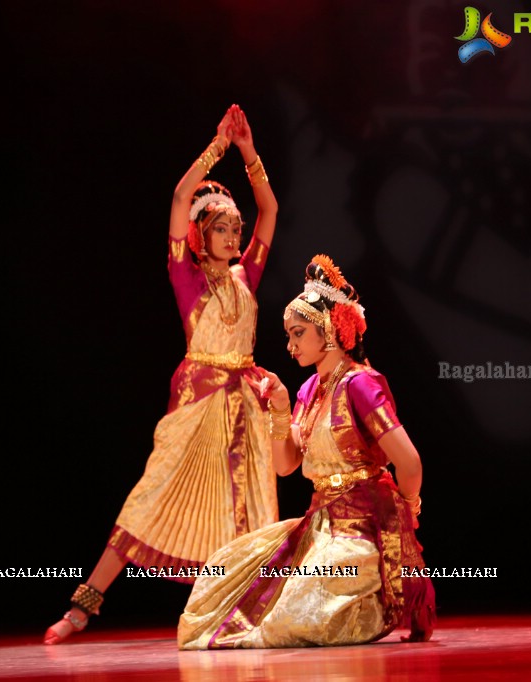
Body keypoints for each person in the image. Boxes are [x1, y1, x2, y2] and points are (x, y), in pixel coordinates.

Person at [45, 104, 280, 645]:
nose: (231, 234)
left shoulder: (248, 274)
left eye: (235, 228)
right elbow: (179, 197)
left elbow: (270, 211)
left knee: (247, 516)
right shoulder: (187, 277)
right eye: (220, 227)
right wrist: (218, 148)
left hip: (244, 406)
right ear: (200, 234)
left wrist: (249, 153)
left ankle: (241, 613)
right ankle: (83, 605)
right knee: (151, 496)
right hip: (199, 403)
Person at [178, 254, 435, 649]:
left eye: (298, 334)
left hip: (362, 532)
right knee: (224, 570)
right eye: (289, 335)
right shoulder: (309, 391)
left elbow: (409, 461)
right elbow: (285, 466)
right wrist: (279, 407)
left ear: (328, 330)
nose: (290, 345)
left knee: (298, 607)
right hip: (320, 525)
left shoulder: (361, 385)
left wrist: (408, 512)